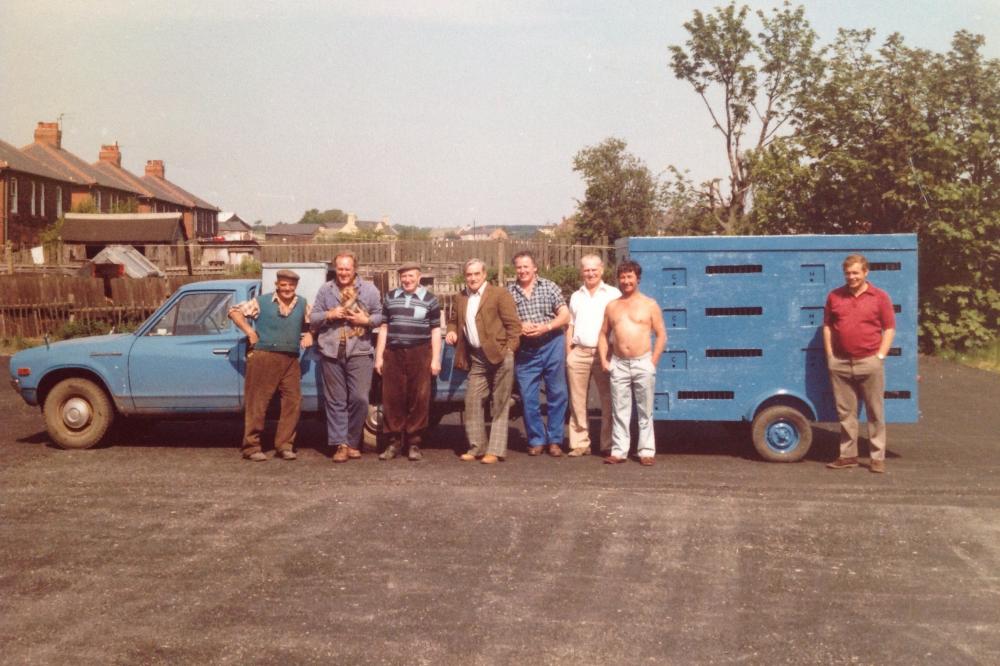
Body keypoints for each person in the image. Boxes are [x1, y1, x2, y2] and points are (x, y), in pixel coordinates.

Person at [228, 269, 313, 462]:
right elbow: (234, 311)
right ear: (277, 285)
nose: (287, 289)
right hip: (264, 356)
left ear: (296, 286)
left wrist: (311, 334)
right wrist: (250, 331)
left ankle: (284, 445)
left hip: (291, 358)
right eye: (284, 285)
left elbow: (315, 321)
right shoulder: (262, 301)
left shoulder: (302, 303)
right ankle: (251, 447)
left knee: (293, 402)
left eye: (291, 285)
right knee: (257, 402)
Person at [823, 254, 896, 473]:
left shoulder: (880, 297)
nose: (851, 277)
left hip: (869, 362)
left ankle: (877, 458)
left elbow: (890, 328)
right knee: (846, 414)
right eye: (848, 273)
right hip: (841, 363)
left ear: (866, 273)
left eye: (856, 272)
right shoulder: (835, 296)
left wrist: (880, 356)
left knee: (875, 412)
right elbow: (827, 326)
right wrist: (830, 356)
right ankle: (848, 456)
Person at [445, 258, 522, 464]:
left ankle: (495, 451)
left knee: (499, 402)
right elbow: (453, 320)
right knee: (472, 400)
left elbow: (514, 326)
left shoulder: (499, 294)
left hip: (500, 355)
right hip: (476, 357)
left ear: (484, 274)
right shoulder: (461, 297)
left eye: (476, 274)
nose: (472, 278)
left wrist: (509, 351)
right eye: (469, 275)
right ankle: (477, 446)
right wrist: (451, 332)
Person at [310, 251, 383, 463]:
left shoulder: (368, 290)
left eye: (347, 269)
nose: (343, 273)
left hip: (359, 350)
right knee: (335, 401)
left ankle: (353, 441)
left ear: (355, 269)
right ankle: (340, 445)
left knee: (360, 398)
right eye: (340, 269)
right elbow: (313, 318)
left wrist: (365, 320)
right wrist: (329, 315)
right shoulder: (326, 290)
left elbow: (380, 315)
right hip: (331, 351)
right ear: (335, 269)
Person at [598, 259, 666, 466]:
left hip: (642, 362)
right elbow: (603, 334)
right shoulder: (612, 306)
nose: (626, 281)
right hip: (619, 363)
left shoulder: (649, 304)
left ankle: (646, 451)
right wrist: (604, 360)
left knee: (645, 410)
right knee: (620, 409)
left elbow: (662, 334)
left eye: (630, 277)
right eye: (622, 277)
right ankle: (619, 451)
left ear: (638, 279)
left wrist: (652, 361)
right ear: (618, 279)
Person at [374, 262, 442, 461]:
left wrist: (435, 359)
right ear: (399, 278)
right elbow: (384, 328)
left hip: (420, 353)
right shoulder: (390, 297)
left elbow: (435, 330)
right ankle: (393, 443)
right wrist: (379, 357)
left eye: (411, 276)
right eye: (404, 276)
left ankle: (414, 443)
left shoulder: (430, 300)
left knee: (418, 398)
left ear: (419, 277)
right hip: (393, 353)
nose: (407, 280)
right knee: (392, 398)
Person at [508, 251, 570, 457]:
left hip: (551, 343)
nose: (523, 271)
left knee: (557, 393)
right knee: (527, 396)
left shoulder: (549, 287)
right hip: (526, 349)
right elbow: (505, 320)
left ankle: (555, 440)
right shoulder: (509, 292)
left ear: (535, 268)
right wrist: (520, 326)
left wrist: (547, 327)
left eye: (527, 266)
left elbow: (564, 315)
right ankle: (536, 439)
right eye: (519, 267)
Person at [565, 254, 621, 457]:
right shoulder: (576, 296)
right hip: (579, 353)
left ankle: (607, 444)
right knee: (577, 401)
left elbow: (618, 326)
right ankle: (580, 443)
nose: (590, 273)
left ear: (602, 270)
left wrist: (611, 354)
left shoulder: (613, 294)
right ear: (581, 271)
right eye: (586, 270)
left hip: (603, 353)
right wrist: (569, 354)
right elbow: (570, 326)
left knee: (608, 400)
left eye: (593, 269)